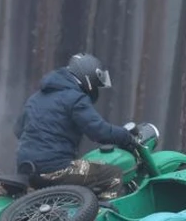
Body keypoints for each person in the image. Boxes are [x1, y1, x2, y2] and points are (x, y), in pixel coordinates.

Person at [14, 53, 136, 200]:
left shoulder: (35, 98)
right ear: (88, 78)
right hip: (54, 169)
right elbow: (99, 131)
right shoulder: (75, 98)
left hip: (26, 169)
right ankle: (101, 218)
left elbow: (18, 131)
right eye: (96, 84)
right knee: (113, 175)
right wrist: (126, 136)